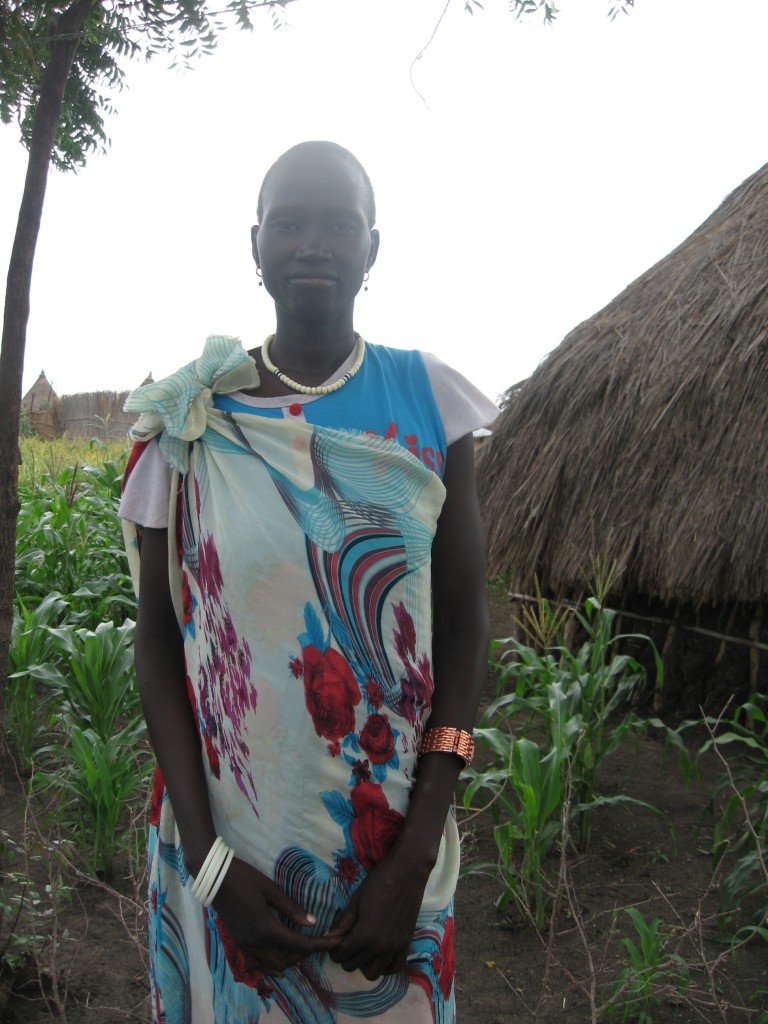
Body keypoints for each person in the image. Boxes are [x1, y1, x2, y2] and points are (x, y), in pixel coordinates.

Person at [119, 140, 498, 1024]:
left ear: (374, 247)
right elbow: (156, 640)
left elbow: (465, 628)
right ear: (255, 247)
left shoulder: (431, 402)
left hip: (393, 860)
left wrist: (408, 862)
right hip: (231, 859)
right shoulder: (189, 424)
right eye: (289, 225)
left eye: (339, 225)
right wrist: (215, 870)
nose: (314, 246)